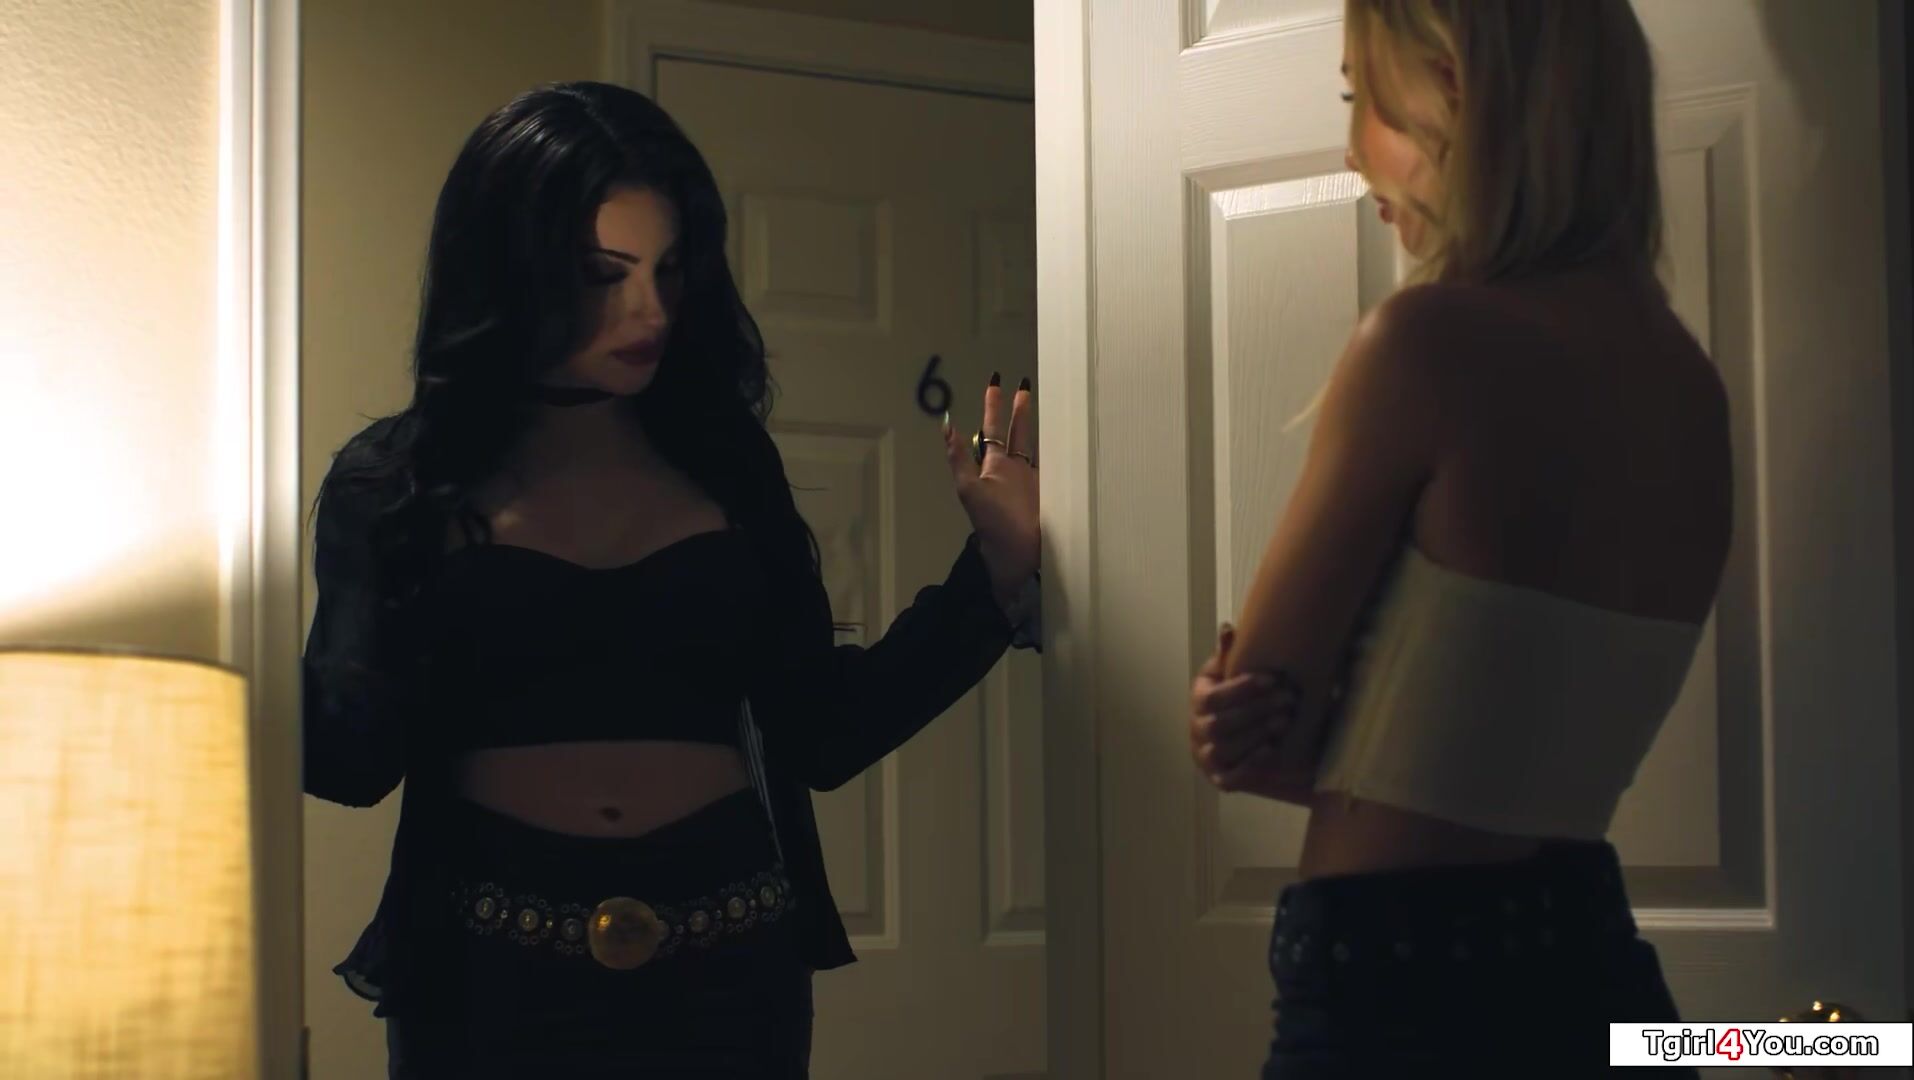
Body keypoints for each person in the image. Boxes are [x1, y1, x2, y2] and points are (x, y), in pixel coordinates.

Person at [303, 81, 1040, 1078]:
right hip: (485, 974)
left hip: (728, 964)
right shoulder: (394, 482)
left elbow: (822, 729)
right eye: (603, 274)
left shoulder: (724, 462)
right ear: (509, 269)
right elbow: (351, 758)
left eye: (668, 269)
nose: (649, 310)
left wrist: (990, 574)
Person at [1186, 2, 1726, 1075]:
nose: (1351, 154)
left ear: (1455, 90)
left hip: (1405, 1001)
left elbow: (1267, 737)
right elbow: (1507, 764)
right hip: (1596, 970)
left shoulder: (1425, 347)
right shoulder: (1689, 388)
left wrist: (1239, 724)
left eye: (1363, 98)